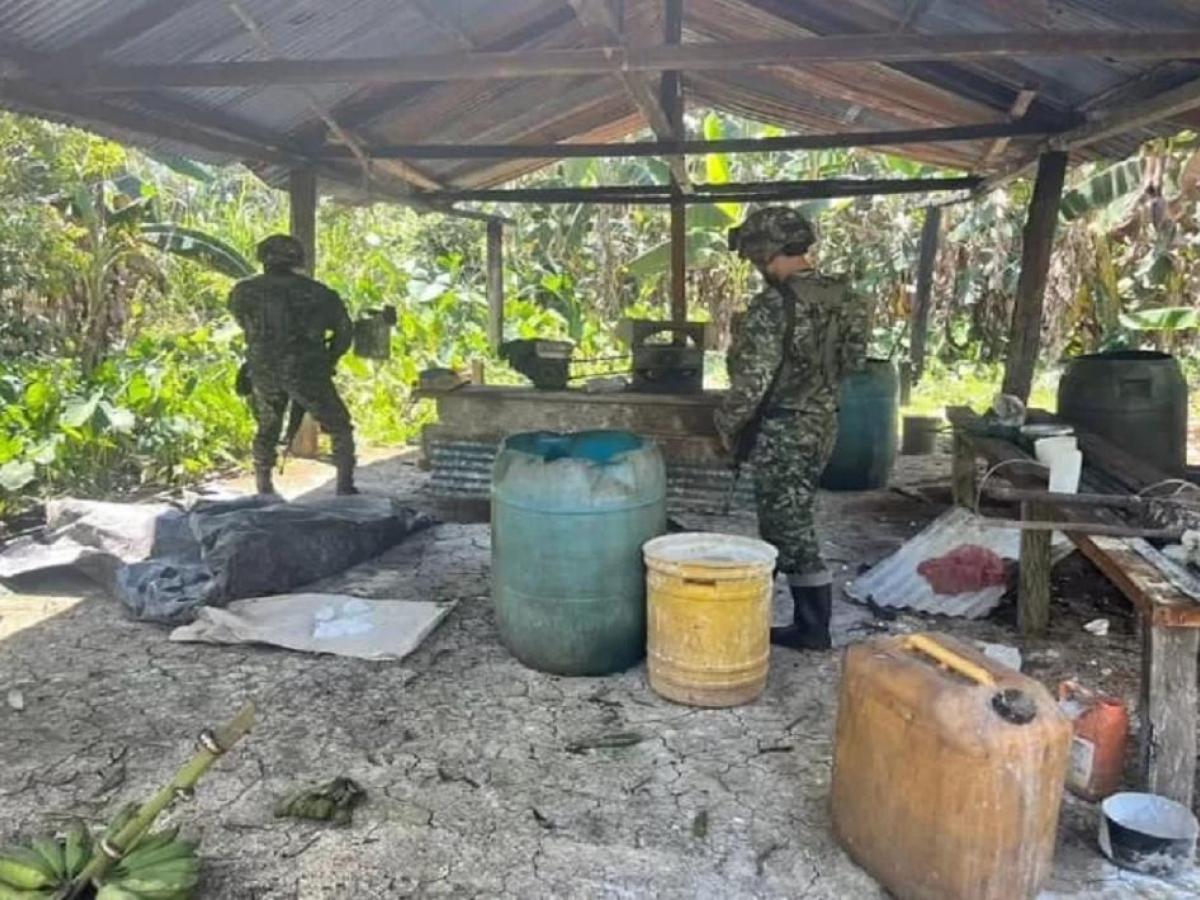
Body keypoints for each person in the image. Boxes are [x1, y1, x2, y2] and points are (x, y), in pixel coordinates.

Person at [715, 208, 869, 651]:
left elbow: (753, 382)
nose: (754, 265)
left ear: (767, 250)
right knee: (790, 518)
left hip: (785, 427)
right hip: (824, 422)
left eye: (754, 255)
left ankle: (812, 627)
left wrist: (727, 425)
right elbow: (853, 363)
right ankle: (805, 621)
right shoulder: (847, 298)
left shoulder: (773, 306)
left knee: (788, 525)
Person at [229, 234, 357, 496]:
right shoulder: (319, 293)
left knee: (267, 426)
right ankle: (344, 485)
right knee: (339, 424)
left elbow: (242, 321)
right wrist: (329, 359)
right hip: (307, 368)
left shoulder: (243, 291)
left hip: (263, 369)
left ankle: (263, 486)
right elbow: (344, 332)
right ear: (297, 259)